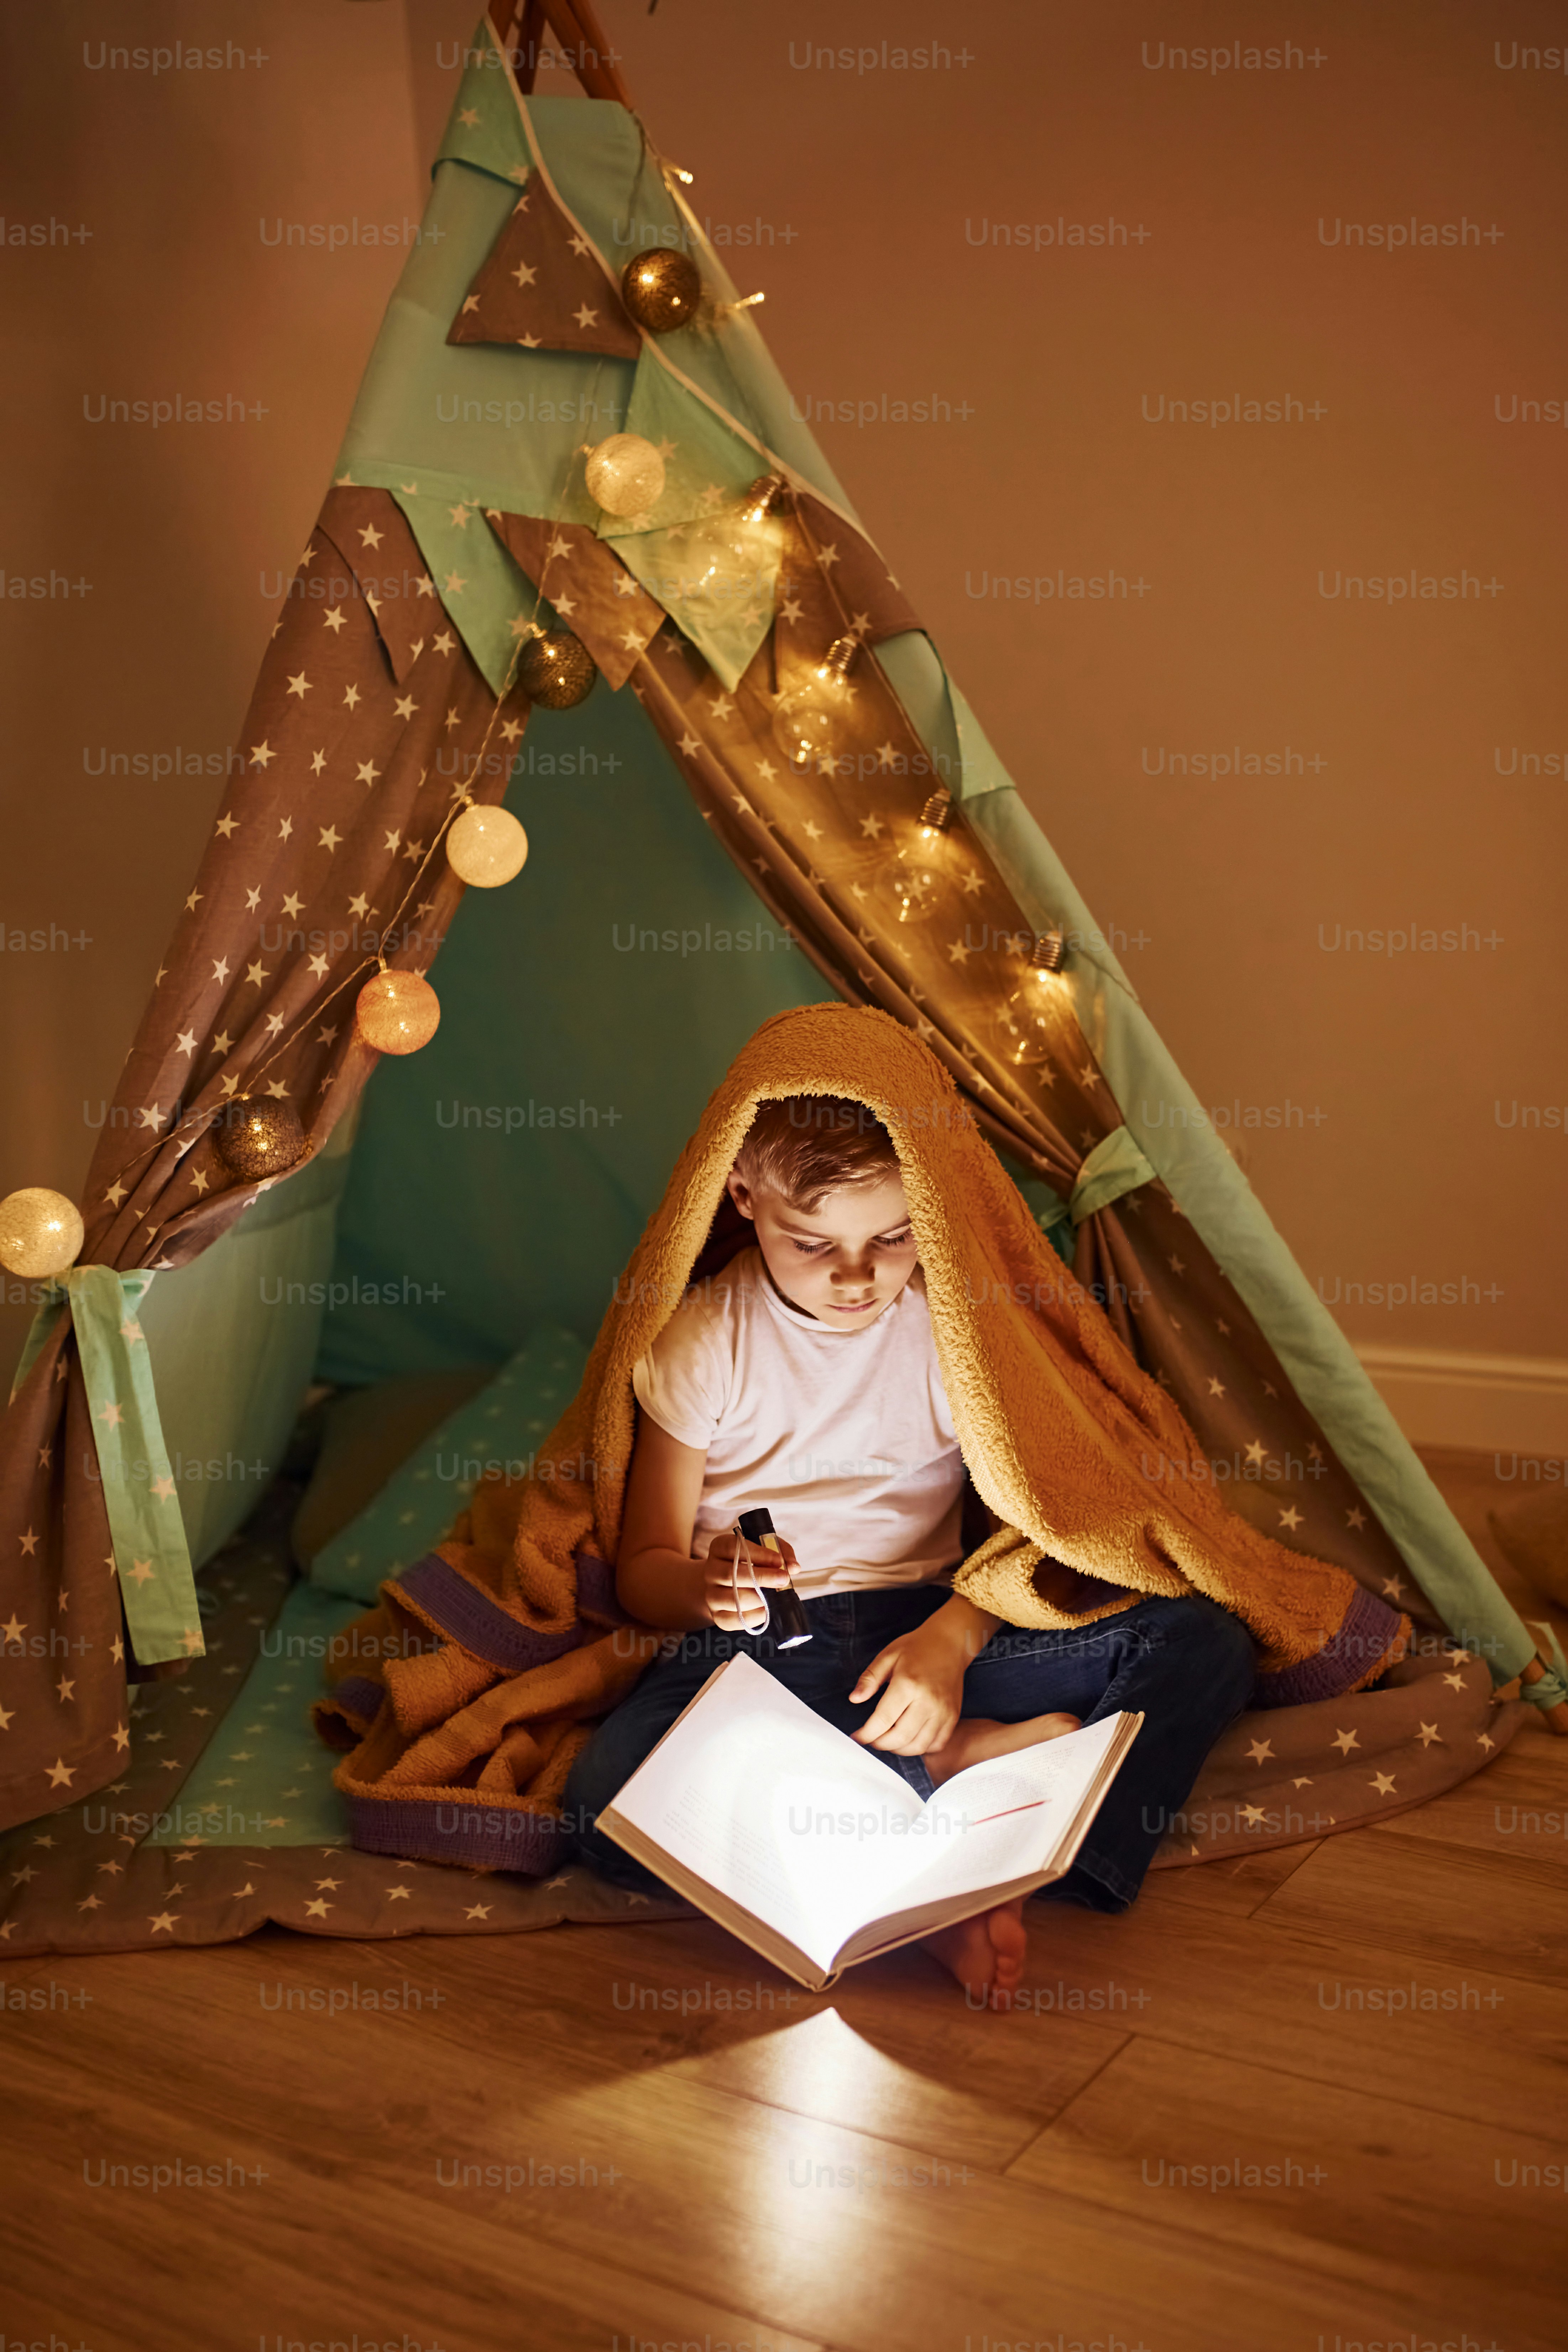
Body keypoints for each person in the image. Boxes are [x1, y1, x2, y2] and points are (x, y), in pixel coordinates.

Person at [563, 1095, 1255, 2004]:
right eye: (814, 1244)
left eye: (892, 1238)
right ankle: (948, 1798)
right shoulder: (703, 1341)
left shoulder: (952, 1331)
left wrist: (957, 1639)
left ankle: (1045, 1857)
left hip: (932, 1627)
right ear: (743, 1198)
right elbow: (645, 1569)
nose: (857, 1277)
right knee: (605, 1804)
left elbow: (1036, 1520)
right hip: (766, 1653)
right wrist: (708, 1589)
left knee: (1202, 1638)